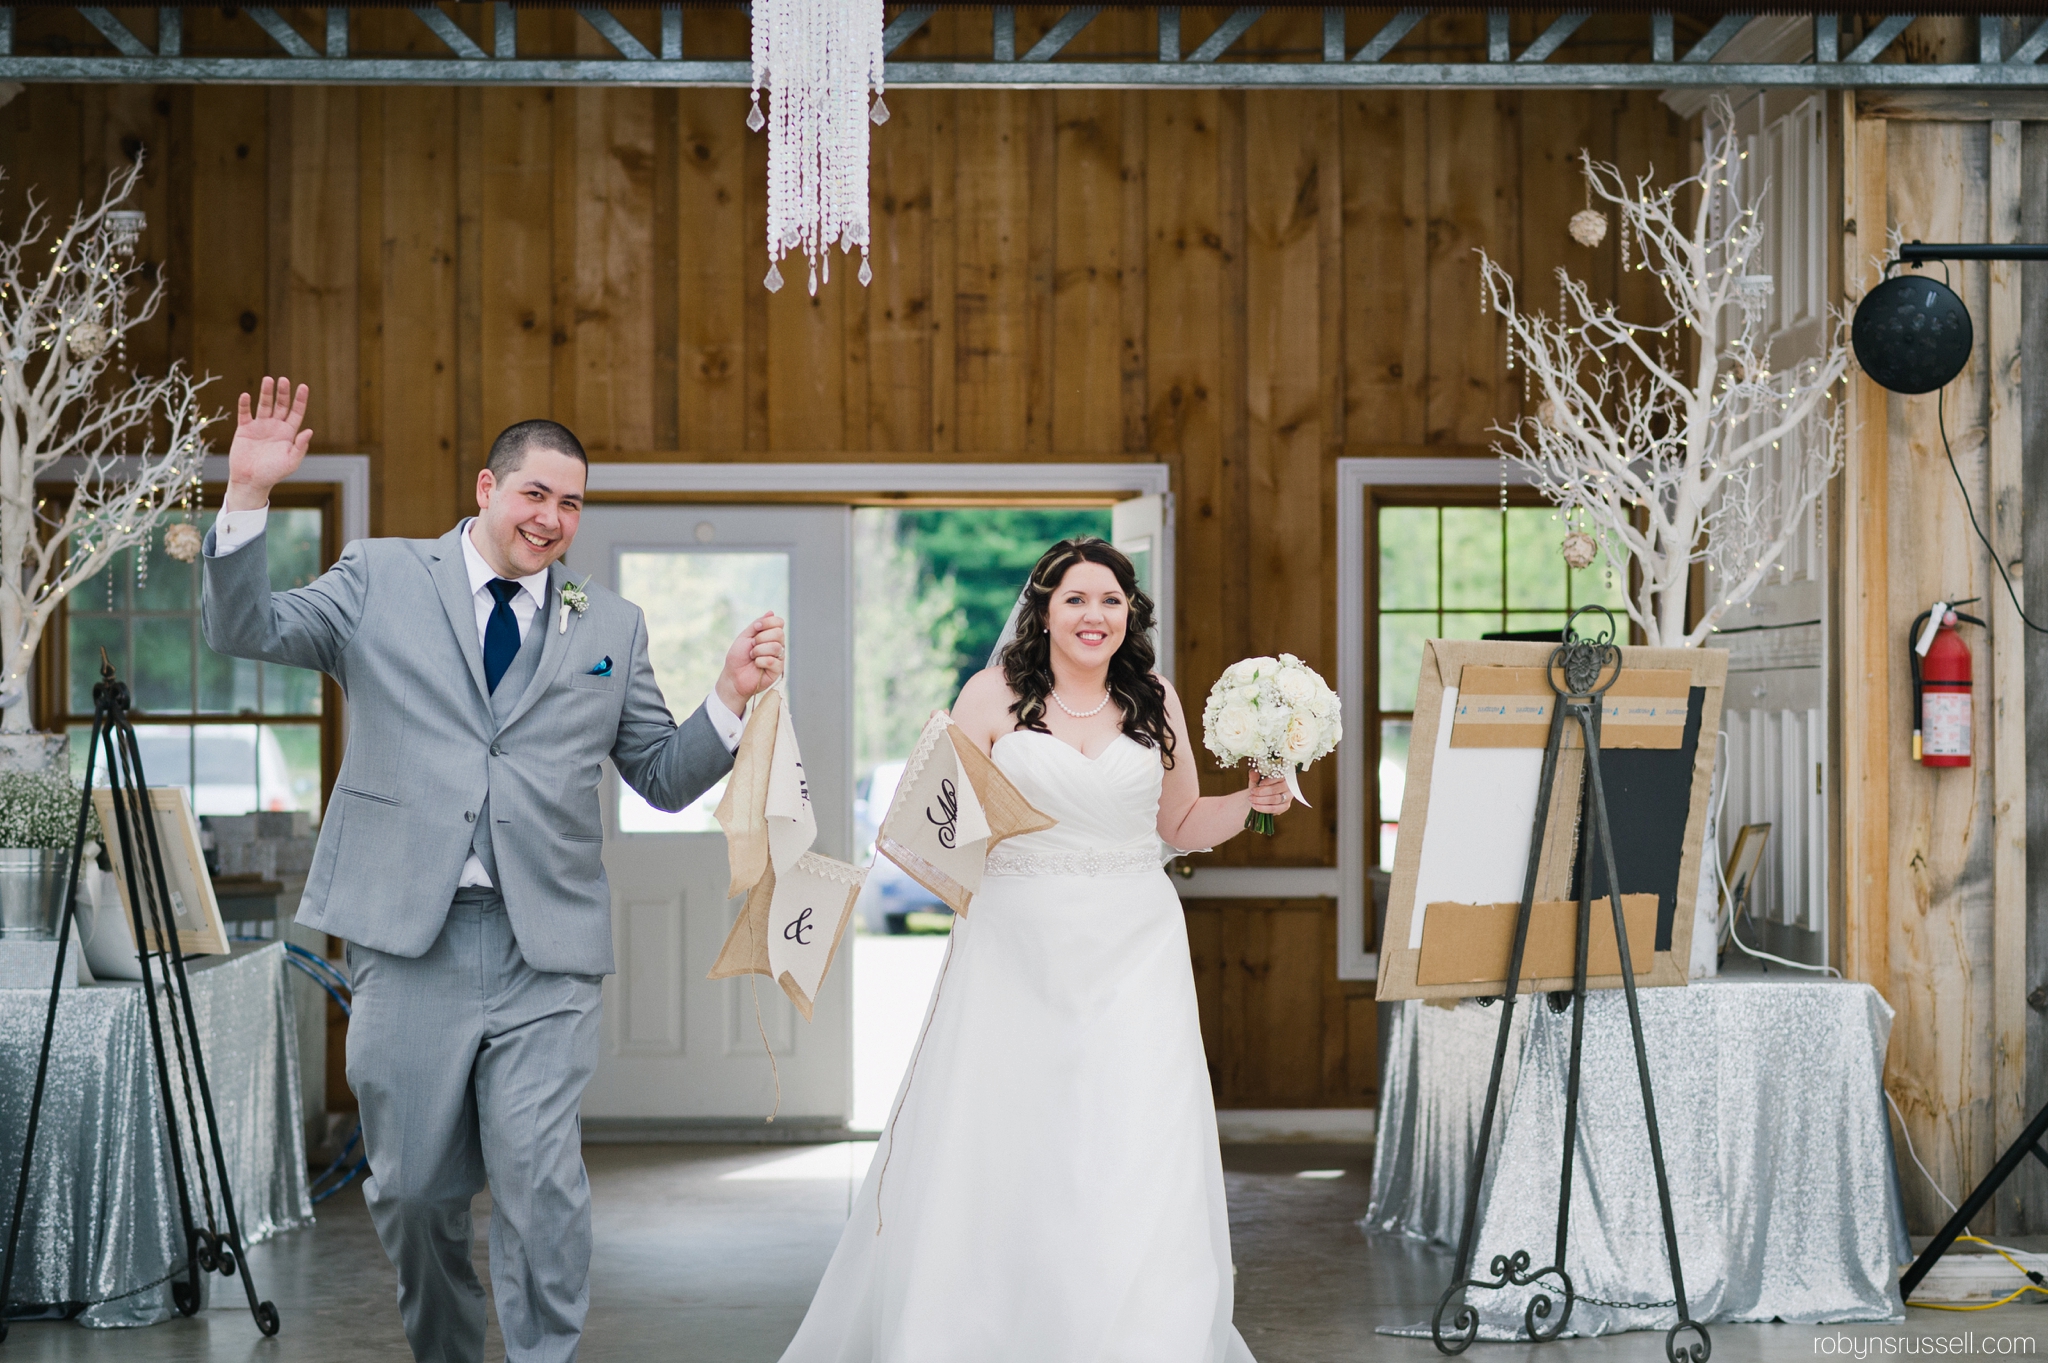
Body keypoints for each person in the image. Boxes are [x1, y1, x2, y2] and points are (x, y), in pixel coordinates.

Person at [201, 377, 784, 1363]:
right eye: (535, 495)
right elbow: (246, 629)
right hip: (406, 942)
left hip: (542, 951)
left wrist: (725, 700)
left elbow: (661, 774)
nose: (553, 519)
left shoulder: (612, 625)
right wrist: (248, 496)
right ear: (486, 487)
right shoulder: (380, 576)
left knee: (539, 1182)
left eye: (572, 503)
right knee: (416, 1191)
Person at [779, 537, 1290, 1363]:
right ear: (1044, 609)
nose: (1095, 616)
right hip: (1016, 942)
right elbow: (937, 831)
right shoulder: (992, 694)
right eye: (1077, 599)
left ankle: (1141, 1333)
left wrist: (1253, 802)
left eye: (1112, 601)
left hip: (1136, 943)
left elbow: (1182, 825)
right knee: (1011, 1131)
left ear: (1132, 614)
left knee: (1135, 1132)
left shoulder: (1155, 698)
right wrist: (925, 775)